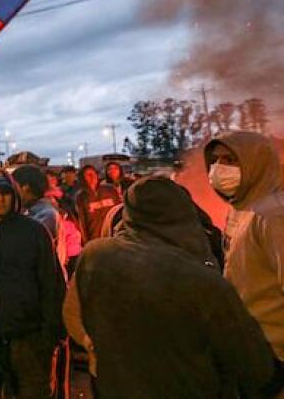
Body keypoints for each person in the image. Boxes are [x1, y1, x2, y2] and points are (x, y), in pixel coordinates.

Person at [64, 177, 282, 398]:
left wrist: (94, 346)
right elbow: (253, 365)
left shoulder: (95, 255)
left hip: (113, 384)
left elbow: (72, 312)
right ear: (186, 212)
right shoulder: (202, 280)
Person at [0, 169, 65, 399]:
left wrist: (50, 337)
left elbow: (52, 285)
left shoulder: (33, 231)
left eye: (6, 192)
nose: (0, 198)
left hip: (29, 339)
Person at [205, 132, 284, 360]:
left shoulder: (273, 214)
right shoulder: (241, 206)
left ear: (255, 163)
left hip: (275, 355)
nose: (219, 168)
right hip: (253, 346)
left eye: (229, 160)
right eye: (215, 160)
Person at [13, 165, 67, 275]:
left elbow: (25, 249)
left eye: (14, 186)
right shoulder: (33, 211)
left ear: (25, 187)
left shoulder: (46, 214)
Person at [74, 165, 120, 243]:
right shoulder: (81, 197)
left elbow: (119, 211)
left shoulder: (110, 190)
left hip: (114, 236)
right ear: (83, 178)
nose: (92, 177)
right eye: (88, 175)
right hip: (95, 238)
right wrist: (85, 242)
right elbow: (82, 222)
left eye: (94, 174)